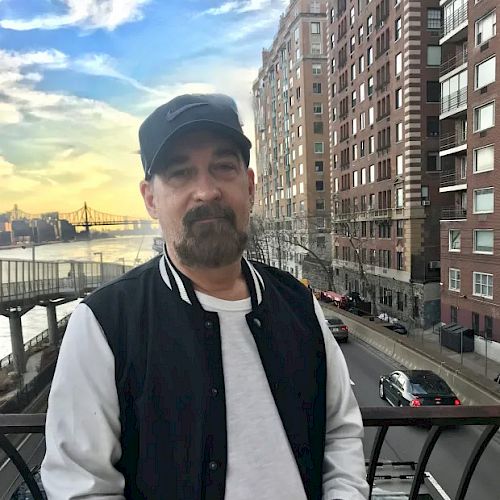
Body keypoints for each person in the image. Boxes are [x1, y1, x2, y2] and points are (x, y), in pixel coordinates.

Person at [41, 93, 369, 499]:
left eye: (223, 167)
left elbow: (339, 433)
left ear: (248, 186)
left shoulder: (299, 305)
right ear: (150, 199)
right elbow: (81, 486)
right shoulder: (105, 324)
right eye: (180, 173)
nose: (207, 191)